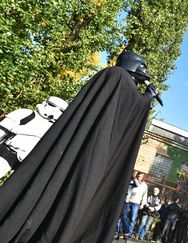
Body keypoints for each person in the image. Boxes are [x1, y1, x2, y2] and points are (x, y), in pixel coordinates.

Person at [0, 50, 161, 243]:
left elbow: (124, 113)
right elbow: (131, 105)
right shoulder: (118, 76)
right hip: (91, 150)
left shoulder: (114, 78)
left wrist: (145, 98)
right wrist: (147, 98)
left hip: (90, 146)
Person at [0, 96, 68, 178]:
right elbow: (2, 129)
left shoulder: (56, 129)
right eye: (52, 105)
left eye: (61, 110)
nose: (55, 110)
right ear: (45, 103)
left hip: (28, 166)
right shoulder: (26, 113)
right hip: (7, 154)